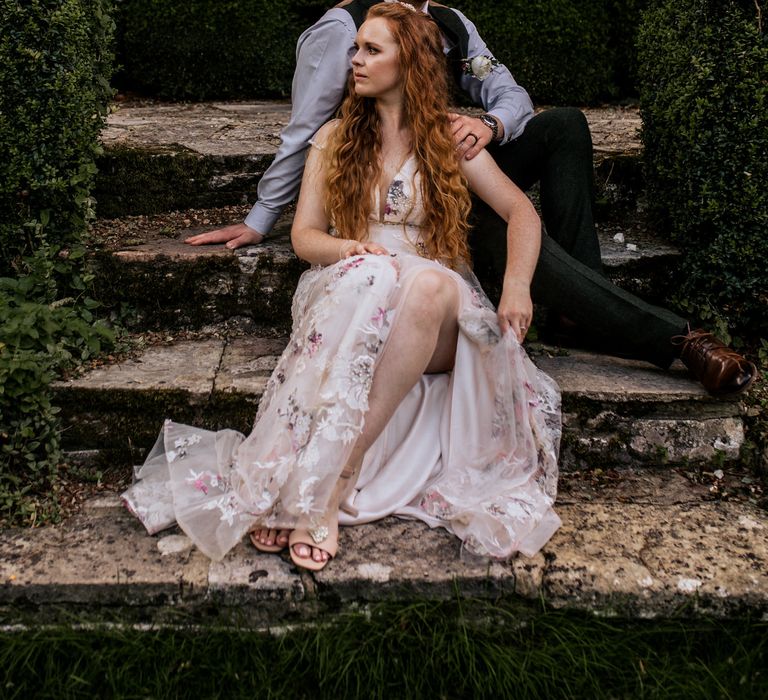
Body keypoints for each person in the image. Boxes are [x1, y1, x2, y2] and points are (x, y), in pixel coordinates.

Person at [122, 2, 562, 570]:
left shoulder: (448, 140)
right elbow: (305, 238)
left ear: (411, 64)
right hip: (350, 284)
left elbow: (522, 215)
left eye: (371, 50)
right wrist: (351, 250)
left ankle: (337, 476)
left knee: (426, 284)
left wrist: (518, 289)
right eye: (356, 47)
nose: (354, 60)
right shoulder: (335, 138)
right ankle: (300, 472)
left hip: (437, 313)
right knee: (375, 273)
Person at [185, 0, 757, 397]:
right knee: (482, 228)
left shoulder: (453, 21)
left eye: (372, 52)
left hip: (447, 154)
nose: (359, 58)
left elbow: (508, 93)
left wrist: (489, 126)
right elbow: (305, 128)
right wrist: (261, 219)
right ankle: (657, 329)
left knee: (564, 127)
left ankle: (581, 300)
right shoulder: (344, 28)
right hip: (394, 190)